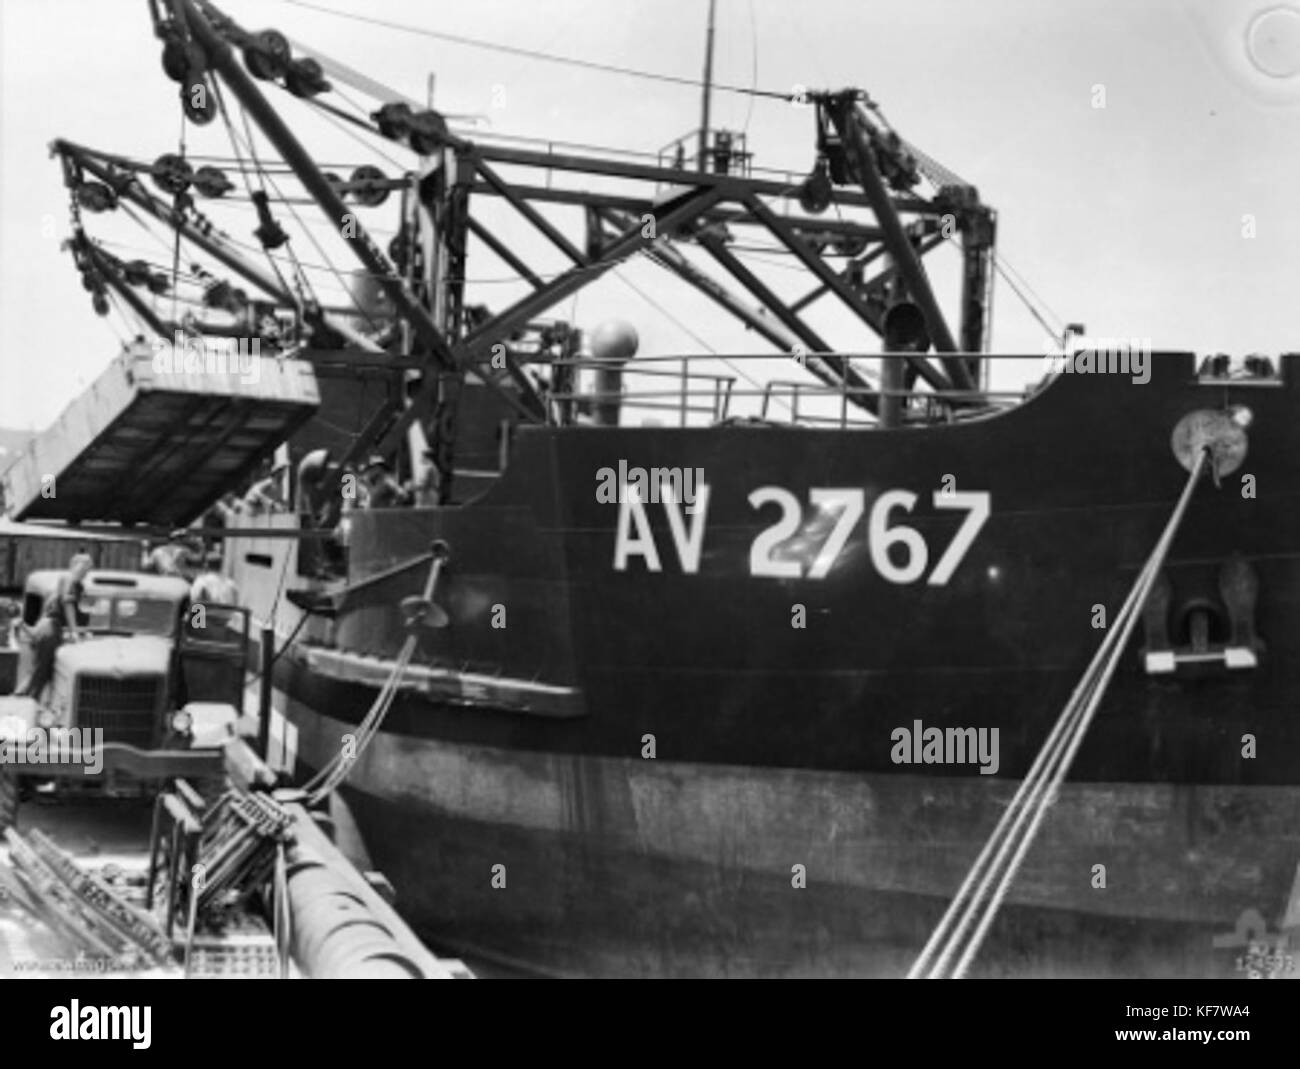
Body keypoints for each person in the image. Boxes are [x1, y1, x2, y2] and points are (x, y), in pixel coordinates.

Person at [18, 553, 93, 700]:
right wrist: (74, 631)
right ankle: (28, 700)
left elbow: (79, 610)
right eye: (82, 567)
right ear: (73, 566)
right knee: (42, 670)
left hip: (53, 629)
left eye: (87, 568)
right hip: (50, 629)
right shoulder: (69, 579)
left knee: (45, 669)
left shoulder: (78, 585)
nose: (84, 571)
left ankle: (29, 697)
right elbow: (67, 603)